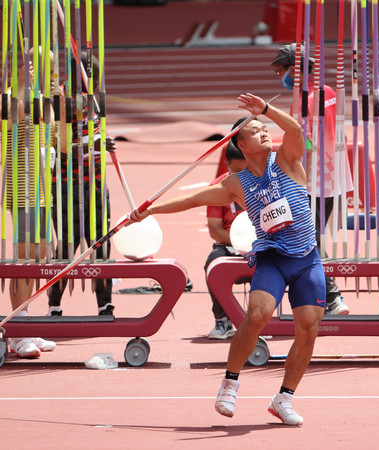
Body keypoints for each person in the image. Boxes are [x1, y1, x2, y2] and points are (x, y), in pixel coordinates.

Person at [130, 93, 325, 425]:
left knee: (308, 329)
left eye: (265, 128)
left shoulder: (287, 160)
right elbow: (192, 199)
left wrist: (264, 110)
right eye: (256, 131)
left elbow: (295, 131)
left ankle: (283, 399)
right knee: (259, 313)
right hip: (273, 259)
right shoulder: (236, 183)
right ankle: (230, 383)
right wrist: (148, 211)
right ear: (243, 147)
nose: (265, 132)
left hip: (307, 258)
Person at [271, 43, 352, 315]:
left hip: (311, 182)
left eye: (281, 70)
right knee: (310, 239)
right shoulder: (329, 92)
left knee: (306, 241)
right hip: (334, 179)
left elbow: (302, 147)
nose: (278, 76)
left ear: (295, 70)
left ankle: (331, 297)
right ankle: (324, 297)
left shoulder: (301, 104)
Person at [0, 47, 56, 358]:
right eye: (45, 67)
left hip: (44, 191)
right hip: (23, 190)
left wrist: (56, 103)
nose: (50, 74)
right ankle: (18, 330)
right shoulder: (10, 95)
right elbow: (6, 120)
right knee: (23, 259)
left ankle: (26, 323)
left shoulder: (45, 99)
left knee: (40, 259)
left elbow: (55, 138)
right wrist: (21, 84)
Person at [47, 52, 115, 316]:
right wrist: (97, 144)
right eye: (91, 79)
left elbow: (95, 134)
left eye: (97, 80)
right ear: (78, 77)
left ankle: (105, 303)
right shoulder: (60, 100)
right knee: (66, 245)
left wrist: (103, 141)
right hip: (66, 186)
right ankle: (54, 305)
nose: (95, 85)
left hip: (95, 183)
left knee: (101, 243)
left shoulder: (94, 99)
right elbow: (62, 146)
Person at [205, 140, 247, 339]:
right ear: (227, 165)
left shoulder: (263, 183)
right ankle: (222, 321)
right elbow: (215, 230)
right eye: (236, 169)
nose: (241, 175)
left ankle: (259, 319)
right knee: (212, 263)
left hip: (260, 244)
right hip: (229, 243)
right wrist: (240, 242)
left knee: (273, 263)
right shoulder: (216, 187)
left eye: (245, 169)